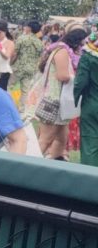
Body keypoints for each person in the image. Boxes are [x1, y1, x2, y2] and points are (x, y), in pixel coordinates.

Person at [33, 27, 87, 160]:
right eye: (82, 43)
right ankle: (27, 164)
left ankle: (53, 162)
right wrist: (79, 78)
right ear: (76, 42)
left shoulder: (64, 51)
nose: (83, 47)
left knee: (62, 138)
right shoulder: (62, 52)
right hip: (54, 100)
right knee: (46, 138)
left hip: (60, 101)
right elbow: (62, 76)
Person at [73, 27, 98, 167]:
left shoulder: (89, 55)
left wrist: (73, 102)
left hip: (93, 104)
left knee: (90, 143)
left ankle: (91, 177)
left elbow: (80, 83)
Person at [10, 19, 43, 102]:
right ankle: (22, 107)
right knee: (25, 90)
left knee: (10, 86)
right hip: (31, 68)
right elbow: (39, 56)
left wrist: (10, 63)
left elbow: (15, 53)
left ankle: (10, 104)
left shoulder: (22, 38)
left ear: (29, 28)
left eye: (26, 26)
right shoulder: (40, 43)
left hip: (19, 67)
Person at [0, 20, 14, 90]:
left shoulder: (10, 43)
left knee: (1, 91)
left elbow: (7, 56)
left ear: (5, 32)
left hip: (4, 71)